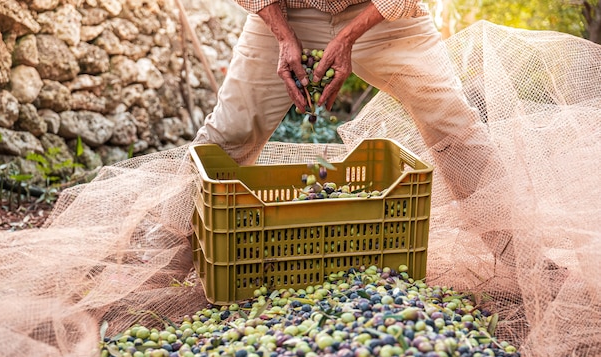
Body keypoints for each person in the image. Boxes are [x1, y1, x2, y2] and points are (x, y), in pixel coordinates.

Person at [191, 0, 565, 274]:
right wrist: (283, 34)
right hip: (287, 10)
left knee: (454, 126)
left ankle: (529, 264)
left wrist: (350, 35)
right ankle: (175, 254)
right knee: (229, 132)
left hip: (380, 14)